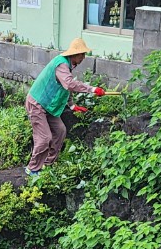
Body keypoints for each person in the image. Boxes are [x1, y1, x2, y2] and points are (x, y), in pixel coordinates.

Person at [25, 36, 107, 179]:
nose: (83, 58)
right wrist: (92, 89)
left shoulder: (68, 65)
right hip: (37, 103)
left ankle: (48, 163)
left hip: (49, 106)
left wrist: (72, 105)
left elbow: (64, 88)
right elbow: (69, 84)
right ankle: (32, 168)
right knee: (44, 138)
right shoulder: (61, 64)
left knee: (61, 131)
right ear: (75, 54)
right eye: (82, 54)